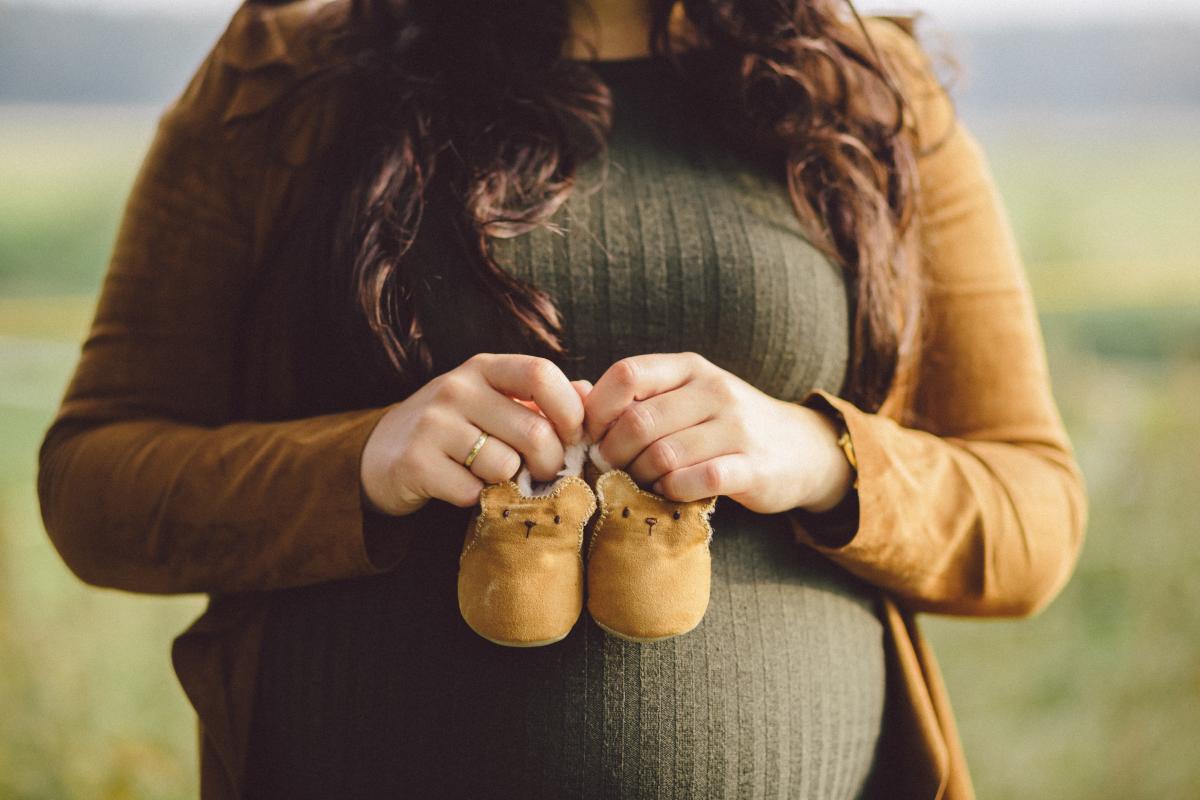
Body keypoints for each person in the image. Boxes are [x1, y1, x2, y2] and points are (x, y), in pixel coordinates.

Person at [36, 0, 1089, 797]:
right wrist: (361, 460)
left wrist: (816, 453)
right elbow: (93, 483)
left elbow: (1035, 512)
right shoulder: (288, 71)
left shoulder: (865, 90)